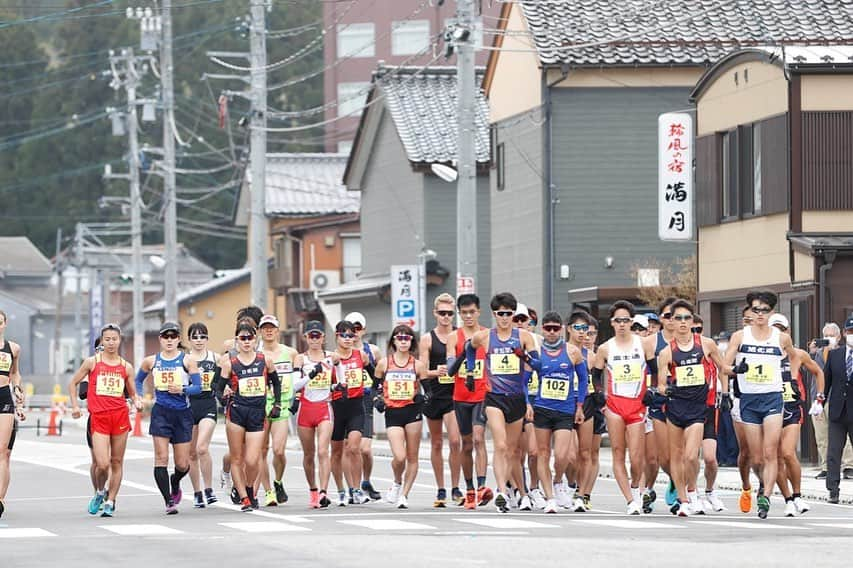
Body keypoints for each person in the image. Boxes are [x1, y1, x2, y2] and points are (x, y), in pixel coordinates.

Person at [723, 290, 799, 519]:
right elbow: (724, 366)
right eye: (756, 310)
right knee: (755, 458)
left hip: (773, 398)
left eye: (764, 310)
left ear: (771, 312)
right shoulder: (740, 336)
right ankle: (758, 486)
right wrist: (736, 371)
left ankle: (765, 495)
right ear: (750, 311)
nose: (760, 314)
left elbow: (795, 357)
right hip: (748, 400)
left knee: (770, 452)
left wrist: (792, 379)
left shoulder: (781, 338)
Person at [654, 300, 728, 516]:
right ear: (671, 322)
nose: (683, 322)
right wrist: (662, 390)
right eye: (678, 318)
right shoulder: (666, 352)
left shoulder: (706, 344)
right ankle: (684, 500)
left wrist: (738, 371)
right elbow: (660, 382)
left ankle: (694, 492)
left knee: (690, 456)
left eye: (687, 318)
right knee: (675, 456)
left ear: (692, 320)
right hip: (676, 406)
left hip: (698, 407)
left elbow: (723, 366)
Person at [466, 292, 539, 513]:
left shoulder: (524, 337)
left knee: (512, 450)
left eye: (509, 313)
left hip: (516, 398)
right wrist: (470, 372)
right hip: (494, 397)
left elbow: (539, 364)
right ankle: (501, 491)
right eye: (501, 314)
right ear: (494, 314)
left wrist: (524, 357)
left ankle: (521, 493)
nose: (505, 318)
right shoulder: (485, 336)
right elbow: (469, 348)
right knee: (500, 445)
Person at [69, 323, 140, 517]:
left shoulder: (126, 367)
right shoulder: (92, 362)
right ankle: (100, 491)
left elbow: (133, 393)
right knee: (102, 464)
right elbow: (73, 383)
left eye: (114, 339)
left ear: (119, 340)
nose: (110, 343)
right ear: (102, 341)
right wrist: (75, 406)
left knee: (117, 461)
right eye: (107, 339)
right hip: (99, 417)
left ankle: (111, 500)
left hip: (120, 417)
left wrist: (137, 401)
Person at [593, 300, 656, 515]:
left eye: (626, 320)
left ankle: (637, 487)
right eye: (618, 320)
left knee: (637, 458)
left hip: (637, 404)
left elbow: (654, 371)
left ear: (632, 321)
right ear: (612, 322)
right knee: (618, 453)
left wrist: (652, 390)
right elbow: (595, 375)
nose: (622, 324)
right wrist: (600, 395)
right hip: (615, 406)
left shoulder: (643, 344)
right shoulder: (605, 348)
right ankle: (630, 500)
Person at [135, 322, 203, 514]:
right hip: (161, 412)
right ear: (160, 339)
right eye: (166, 336)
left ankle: (175, 480)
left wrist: (182, 389)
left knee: (182, 463)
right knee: (161, 458)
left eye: (173, 336)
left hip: (182, 413)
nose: (170, 340)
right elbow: (138, 380)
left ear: (179, 339)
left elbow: (198, 388)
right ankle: (168, 501)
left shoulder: (188, 361)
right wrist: (138, 397)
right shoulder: (151, 361)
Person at [217, 320, 282, 511]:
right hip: (236, 412)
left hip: (257, 413)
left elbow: (276, 383)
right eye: (242, 338)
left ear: (256, 339)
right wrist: (224, 396)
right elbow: (218, 389)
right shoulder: (230, 364)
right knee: (237, 458)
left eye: (250, 337)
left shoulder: (265, 360)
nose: (246, 341)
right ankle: (245, 498)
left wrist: (277, 403)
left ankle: (249, 488)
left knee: (253, 459)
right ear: (237, 340)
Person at [531, 312, 587, 513]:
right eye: (548, 328)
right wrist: (528, 404)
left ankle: (557, 480)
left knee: (563, 456)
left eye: (556, 328)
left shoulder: (572, 352)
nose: (552, 332)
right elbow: (525, 378)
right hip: (542, 407)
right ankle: (550, 497)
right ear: (542, 330)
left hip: (565, 409)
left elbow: (583, 380)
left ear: (562, 329)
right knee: (542, 453)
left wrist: (579, 405)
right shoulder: (536, 351)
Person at [769, 313, 824, 515]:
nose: (779, 334)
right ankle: (788, 499)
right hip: (770, 408)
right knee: (774, 457)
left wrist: (819, 398)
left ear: (788, 332)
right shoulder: (764, 355)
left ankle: (799, 495)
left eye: (782, 330)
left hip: (792, 408)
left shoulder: (798, 354)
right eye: (774, 330)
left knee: (787, 452)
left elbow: (818, 372)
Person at [445, 293, 492, 509]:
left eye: (472, 312)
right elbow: (451, 369)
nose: (468, 316)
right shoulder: (454, 337)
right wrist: (467, 351)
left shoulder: (487, 335)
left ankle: (483, 486)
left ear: (479, 312)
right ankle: (470, 488)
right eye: (464, 313)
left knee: (479, 438)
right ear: (459, 314)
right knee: (466, 444)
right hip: (460, 397)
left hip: (482, 395)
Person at [373, 324, 427, 509]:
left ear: (412, 341)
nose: (403, 341)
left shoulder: (417, 365)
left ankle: (404, 494)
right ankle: (396, 482)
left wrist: (423, 397)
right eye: (399, 338)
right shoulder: (384, 363)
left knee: (412, 457)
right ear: (393, 341)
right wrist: (377, 400)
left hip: (413, 412)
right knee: (400, 456)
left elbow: (430, 391)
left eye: (407, 338)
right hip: (393, 413)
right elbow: (375, 387)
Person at [418, 293, 463, 507]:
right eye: (442, 313)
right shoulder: (428, 339)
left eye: (450, 314)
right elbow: (422, 371)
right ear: (435, 313)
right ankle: (441, 489)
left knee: (455, 440)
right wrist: (437, 372)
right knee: (436, 442)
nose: (446, 317)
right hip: (434, 393)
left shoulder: (459, 336)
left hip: (454, 394)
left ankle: (456, 487)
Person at [292, 321, 338, 508]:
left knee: (322, 451)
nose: (314, 340)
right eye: (311, 336)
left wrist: (338, 387)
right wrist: (311, 375)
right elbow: (294, 386)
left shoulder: (331, 357)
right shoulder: (300, 359)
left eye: (317, 336)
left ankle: (323, 492)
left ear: (323, 337)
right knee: (309, 454)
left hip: (324, 407)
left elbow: (337, 380)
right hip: (305, 409)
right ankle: (312, 489)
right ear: (306, 338)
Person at [256, 315, 297, 506]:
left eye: (272, 327)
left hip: (281, 404)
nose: (269, 330)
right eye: (265, 328)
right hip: (260, 404)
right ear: (260, 331)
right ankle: (268, 492)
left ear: (278, 330)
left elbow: (298, 378)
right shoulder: (257, 354)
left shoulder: (290, 353)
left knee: (279, 451)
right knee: (261, 450)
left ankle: (278, 481)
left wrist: (296, 398)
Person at [330, 320, 371, 506]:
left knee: (354, 448)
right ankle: (341, 490)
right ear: (336, 336)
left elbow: (376, 375)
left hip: (356, 405)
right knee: (337, 452)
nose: (348, 339)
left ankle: (356, 489)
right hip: (336, 406)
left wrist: (378, 393)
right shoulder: (331, 358)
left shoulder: (360, 355)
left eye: (351, 336)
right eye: (344, 335)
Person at [344, 312, 383, 502]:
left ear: (364, 330)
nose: (353, 333)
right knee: (351, 447)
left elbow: (380, 374)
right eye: (350, 329)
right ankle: (354, 487)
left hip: (366, 398)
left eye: (357, 329)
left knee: (365, 449)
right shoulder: (341, 351)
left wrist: (380, 395)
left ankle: (366, 481)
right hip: (347, 400)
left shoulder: (372, 350)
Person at [643, 297, 677, 511]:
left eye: (677, 316)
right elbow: (640, 370)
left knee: (682, 453)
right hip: (657, 402)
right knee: (657, 457)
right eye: (667, 316)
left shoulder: (692, 341)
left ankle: (682, 490)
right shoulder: (650, 342)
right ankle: (650, 488)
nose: (672, 321)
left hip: (684, 402)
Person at [569, 310, 603, 511]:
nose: (585, 336)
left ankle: (583, 493)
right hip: (566, 402)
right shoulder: (563, 351)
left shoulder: (593, 357)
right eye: (580, 330)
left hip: (591, 404)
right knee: (570, 454)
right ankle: (567, 485)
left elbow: (600, 381)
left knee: (588, 453)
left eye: (589, 332)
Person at [811, 322, 853, 480]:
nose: (828, 338)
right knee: (822, 435)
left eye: (831, 335)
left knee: (844, 436)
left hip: (840, 399)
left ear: (839, 335)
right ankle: (826, 466)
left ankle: (849, 466)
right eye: (826, 335)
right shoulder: (819, 353)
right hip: (821, 397)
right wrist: (812, 353)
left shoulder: (843, 352)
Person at [186, 322, 219, 508]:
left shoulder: (215, 357)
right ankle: (197, 492)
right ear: (189, 339)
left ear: (207, 338)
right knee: (191, 453)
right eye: (195, 337)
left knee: (202, 448)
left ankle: (209, 489)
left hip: (208, 404)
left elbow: (228, 373)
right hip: (189, 406)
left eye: (202, 336)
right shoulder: (185, 359)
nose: (199, 340)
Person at [821, 315, 853, 504]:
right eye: (850, 332)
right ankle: (833, 490)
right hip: (837, 412)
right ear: (844, 333)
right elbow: (826, 382)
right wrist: (819, 402)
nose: (852, 335)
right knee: (833, 452)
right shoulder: (835, 355)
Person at [0, 310, 24, 520]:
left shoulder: (13, 348)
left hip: (4, 397)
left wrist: (18, 390)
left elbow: (15, 373)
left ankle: (0, 499)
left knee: (3, 452)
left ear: (5, 324)